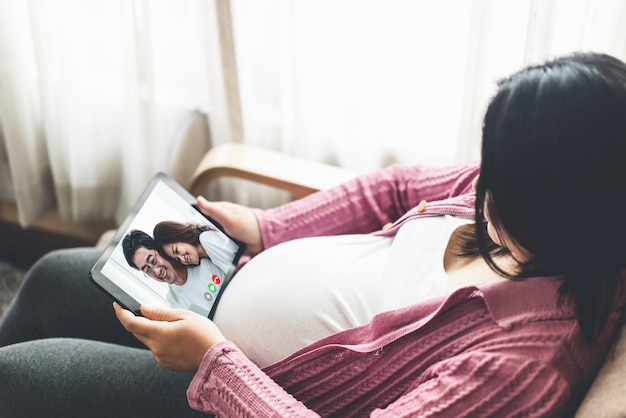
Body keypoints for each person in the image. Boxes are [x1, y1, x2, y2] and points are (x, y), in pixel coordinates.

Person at [0, 51, 625, 417]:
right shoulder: (533, 193)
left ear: (559, 205)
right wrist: (268, 227)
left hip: (234, 394)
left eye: (503, 182)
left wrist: (213, 365)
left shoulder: (517, 366)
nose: (481, 182)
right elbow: (396, 189)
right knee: (55, 276)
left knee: (21, 378)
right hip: (226, 300)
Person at [123, 229, 228, 317]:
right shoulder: (175, 302)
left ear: (159, 250)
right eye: (148, 270)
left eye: (153, 261)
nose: (157, 271)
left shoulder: (200, 260)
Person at [152, 221, 239, 274]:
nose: (183, 260)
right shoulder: (206, 260)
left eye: (177, 251)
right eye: (177, 259)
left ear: (181, 237)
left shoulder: (207, 240)